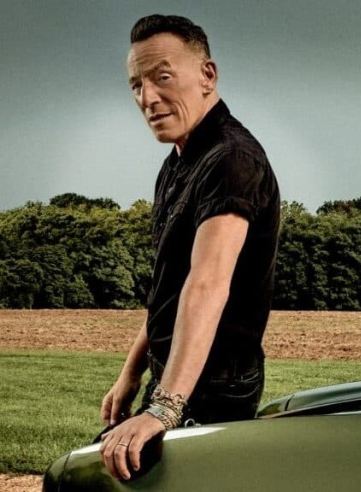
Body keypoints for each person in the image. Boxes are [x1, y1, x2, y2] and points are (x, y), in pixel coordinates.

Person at [98, 14, 280, 481]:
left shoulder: (231, 160)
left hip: (214, 385)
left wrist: (164, 408)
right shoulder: (178, 162)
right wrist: (131, 374)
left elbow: (207, 285)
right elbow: (171, 289)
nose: (147, 98)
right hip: (177, 378)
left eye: (161, 78)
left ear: (207, 75)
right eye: (136, 85)